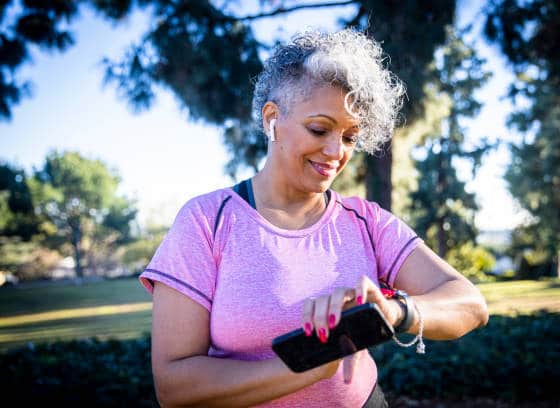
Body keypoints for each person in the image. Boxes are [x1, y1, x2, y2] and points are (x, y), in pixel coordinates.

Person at [139, 28, 489, 408]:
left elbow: (470, 304)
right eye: (319, 129)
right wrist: (306, 365)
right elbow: (174, 386)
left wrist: (394, 311)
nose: (337, 152)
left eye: (351, 137)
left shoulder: (366, 222)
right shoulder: (207, 221)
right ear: (272, 119)